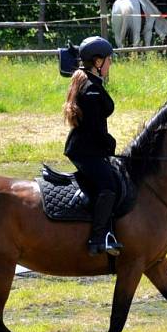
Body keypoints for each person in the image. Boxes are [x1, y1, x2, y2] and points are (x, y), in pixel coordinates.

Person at [62, 35, 123, 256]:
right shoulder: (92, 89)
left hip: (87, 147)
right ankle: (100, 238)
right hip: (86, 150)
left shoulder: (89, 82)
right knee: (109, 185)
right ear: (98, 63)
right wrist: (111, 144)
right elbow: (96, 130)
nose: (111, 64)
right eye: (109, 59)